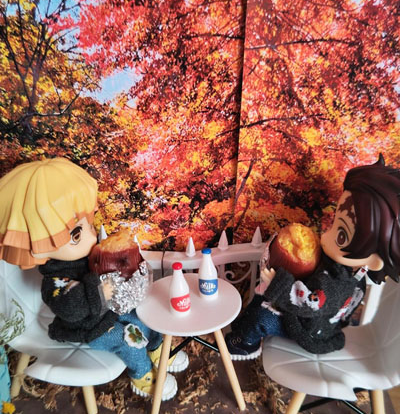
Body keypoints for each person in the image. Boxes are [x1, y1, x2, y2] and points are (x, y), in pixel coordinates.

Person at [0, 157, 188, 400]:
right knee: (125, 338)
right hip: (89, 328)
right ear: (39, 249)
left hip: (110, 311)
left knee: (140, 317)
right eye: (76, 234)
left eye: (88, 225)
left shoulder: (87, 256)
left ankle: (157, 348)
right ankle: (141, 373)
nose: (91, 237)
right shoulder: (55, 282)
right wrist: (99, 290)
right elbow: (72, 310)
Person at [226, 156, 400, 358]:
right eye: (335, 223)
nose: (326, 235)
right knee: (261, 297)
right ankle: (241, 328)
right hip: (308, 311)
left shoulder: (338, 285)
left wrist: (280, 284)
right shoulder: (341, 268)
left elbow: (310, 303)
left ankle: (246, 345)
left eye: (341, 235)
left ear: (375, 261)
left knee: (262, 316)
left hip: (307, 328)